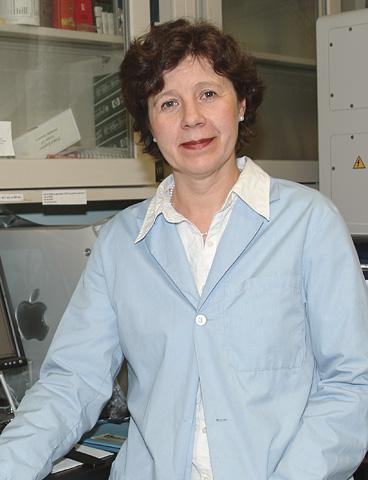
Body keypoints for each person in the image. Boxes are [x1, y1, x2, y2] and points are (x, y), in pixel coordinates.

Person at [1, 17, 368, 480]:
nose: (191, 117)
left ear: (241, 103)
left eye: (209, 94)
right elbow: (71, 382)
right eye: (168, 102)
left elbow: (353, 383)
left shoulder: (310, 223)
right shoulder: (119, 243)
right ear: (149, 126)